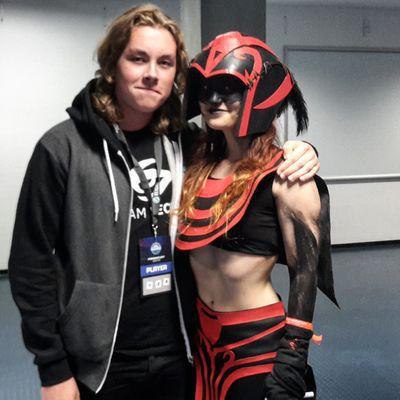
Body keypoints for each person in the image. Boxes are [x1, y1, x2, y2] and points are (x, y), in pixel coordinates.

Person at [8, 5, 320, 400]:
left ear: (176, 74)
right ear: (112, 65)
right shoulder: (63, 148)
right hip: (100, 362)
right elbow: (30, 264)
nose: (152, 73)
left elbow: (248, 155)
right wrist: (53, 368)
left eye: (165, 62)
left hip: (182, 353)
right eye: (138, 58)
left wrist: (302, 150)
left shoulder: (185, 145)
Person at [176, 31, 338, 400]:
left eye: (228, 88)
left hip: (256, 345)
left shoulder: (287, 175)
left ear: (258, 93)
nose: (213, 100)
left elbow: (304, 273)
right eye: (206, 88)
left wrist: (292, 359)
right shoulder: (196, 164)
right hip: (201, 343)